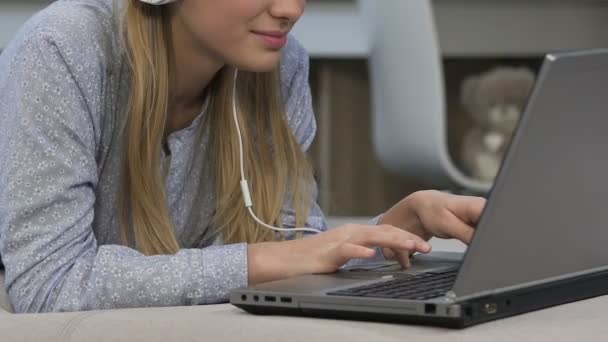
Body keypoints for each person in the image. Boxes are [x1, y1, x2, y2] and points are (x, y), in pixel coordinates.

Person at [0, 0, 486, 313]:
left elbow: (293, 250)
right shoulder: (61, 49)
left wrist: (391, 232)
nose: (291, 9)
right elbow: (49, 286)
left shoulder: (281, 64)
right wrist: (262, 260)